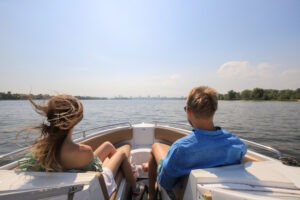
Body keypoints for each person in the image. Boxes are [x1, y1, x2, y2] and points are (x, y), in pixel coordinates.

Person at [17, 94, 141, 197]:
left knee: (107, 145)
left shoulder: (39, 152)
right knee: (122, 154)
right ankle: (135, 187)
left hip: (62, 188)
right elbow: (95, 177)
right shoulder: (84, 152)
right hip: (92, 189)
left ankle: (131, 170)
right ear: (76, 120)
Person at [143, 86, 247, 200]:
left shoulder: (180, 148)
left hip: (183, 194)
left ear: (188, 111)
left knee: (155, 147)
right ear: (214, 110)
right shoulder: (237, 144)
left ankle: (151, 196)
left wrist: (161, 167)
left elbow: (165, 182)